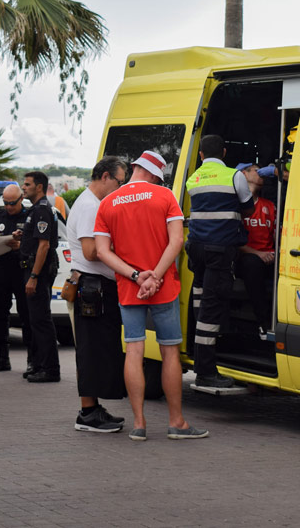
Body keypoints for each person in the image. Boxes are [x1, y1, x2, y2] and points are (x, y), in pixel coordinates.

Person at [94, 150, 208, 441]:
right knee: (170, 352)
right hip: (163, 287)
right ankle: (176, 422)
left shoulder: (107, 203)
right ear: (156, 175)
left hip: (129, 288)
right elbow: (177, 241)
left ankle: (139, 424)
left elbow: (102, 252)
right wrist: (155, 276)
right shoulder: (165, 196)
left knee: (134, 350)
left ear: (135, 167)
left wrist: (136, 276)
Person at [185, 135, 255, 388]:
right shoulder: (234, 176)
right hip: (219, 250)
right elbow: (249, 208)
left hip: (196, 249)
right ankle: (206, 372)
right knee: (211, 309)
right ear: (224, 152)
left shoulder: (193, 179)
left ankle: (199, 348)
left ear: (201, 154)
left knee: (200, 297)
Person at [66, 156, 128, 432]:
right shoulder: (90, 206)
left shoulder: (92, 203)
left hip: (95, 285)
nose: (120, 187)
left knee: (97, 349)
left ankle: (93, 408)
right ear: (105, 177)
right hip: (93, 286)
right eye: (119, 181)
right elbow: (92, 251)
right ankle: (88, 413)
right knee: (92, 351)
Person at [17, 170, 61, 382]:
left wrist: (33, 276)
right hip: (33, 269)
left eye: (27, 184)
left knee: (41, 321)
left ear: (39, 187)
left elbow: (44, 246)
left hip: (39, 272)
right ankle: (38, 364)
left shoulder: (42, 210)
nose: (23, 188)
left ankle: (50, 369)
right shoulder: (36, 210)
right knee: (35, 320)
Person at [0, 183, 32, 373]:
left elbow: (40, 243)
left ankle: (32, 359)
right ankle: (2, 357)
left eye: (12, 203)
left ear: (21, 199)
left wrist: (22, 246)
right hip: (1, 270)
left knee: (26, 314)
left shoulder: (29, 217)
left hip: (21, 270)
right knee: (0, 314)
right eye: (6, 203)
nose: (9, 207)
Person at [233, 163, 277, 339]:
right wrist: (258, 254)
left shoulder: (270, 206)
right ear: (244, 174)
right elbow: (232, 240)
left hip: (269, 256)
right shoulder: (235, 205)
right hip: (246, 258)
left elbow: (276, 235)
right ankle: (263, 323)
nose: (262, 175)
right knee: (252, 264)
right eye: (257, 171)